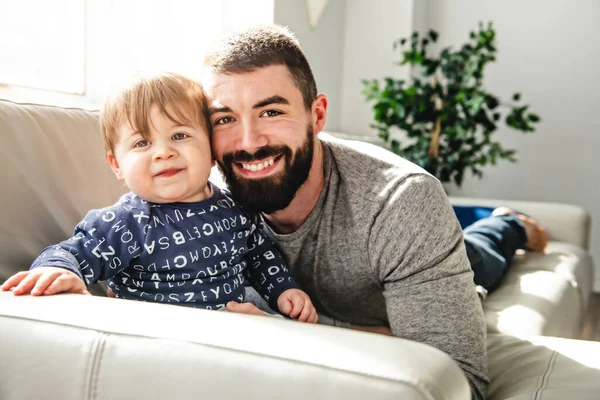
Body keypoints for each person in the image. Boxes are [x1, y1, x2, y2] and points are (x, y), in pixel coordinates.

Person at [200, 25, 488, 399]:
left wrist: (287, 336)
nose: (249, 142)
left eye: (271, 111)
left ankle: (508, 225)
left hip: (437, 256)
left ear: (317, 115)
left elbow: (460, 384)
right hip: (393, 292)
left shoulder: (399, 202)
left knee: (483, 253)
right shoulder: (201, 201)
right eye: (224, 119)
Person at [0, 72, 318, 323]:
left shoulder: (235, 209)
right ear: (116, 165)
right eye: (141, 143)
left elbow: (260, 255)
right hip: (155, 339)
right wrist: (62, 271)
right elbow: (74, 252)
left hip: (231, 333)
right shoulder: (126, 221)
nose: (163, 153)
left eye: (179, 136)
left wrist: (283, 290)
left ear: (211, 150)